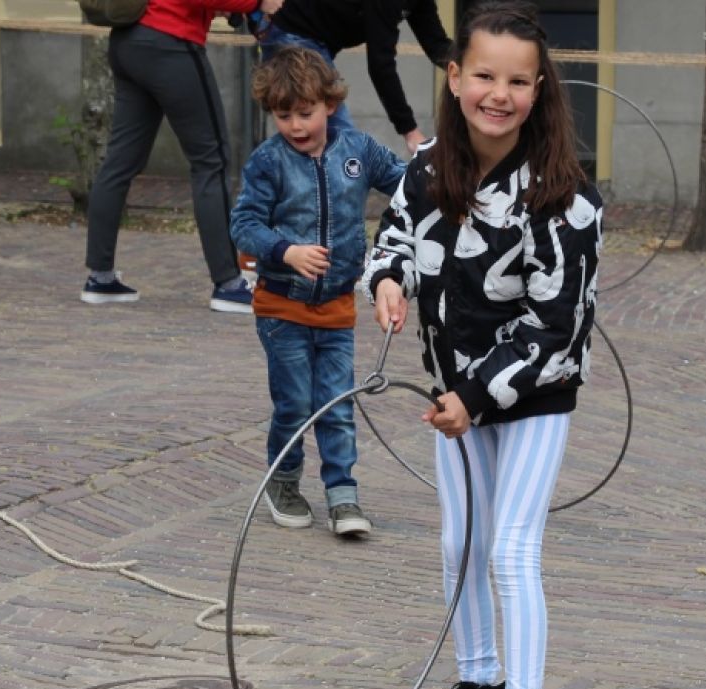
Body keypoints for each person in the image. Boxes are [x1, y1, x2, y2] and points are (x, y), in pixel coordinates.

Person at [363, 2, 601, 689]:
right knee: (457, 543)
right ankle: (478, 686)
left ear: (540, 90)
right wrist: (389, 278)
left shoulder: (564, 197)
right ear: (456, 77)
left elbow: (554, 324)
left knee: (509, 549)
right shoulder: (427, 166)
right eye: (484, 76)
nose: (498, 94)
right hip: (452, 395)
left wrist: (473, 392)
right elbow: (394, 235)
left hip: (528, 399)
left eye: (518, 81)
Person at [230, 47, 407, 535]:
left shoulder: (359, 150)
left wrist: (448, 186)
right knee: (295, 403)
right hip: (281, 308)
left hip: (336, 308)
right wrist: (285, 250)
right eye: (283, 116)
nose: (295, 125)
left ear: (329, 104)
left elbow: (408, 185)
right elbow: (243, 224)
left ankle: (342, 495)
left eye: (305, 113)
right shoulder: (268, 162)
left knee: (335, 402)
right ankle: (283, 481)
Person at [80, 0, 284, 312]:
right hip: (170, 43)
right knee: (210, 162)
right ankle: (228, 284)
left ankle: (100, 278)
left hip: (129, 42)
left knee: (119, 163)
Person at [250, 0, 452, 153]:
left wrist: (476, 65)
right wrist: (410, 131)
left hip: (319, 41)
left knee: (333, 146)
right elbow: (381, 65)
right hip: (292, 33)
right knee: (342, 145)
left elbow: (438, 46)